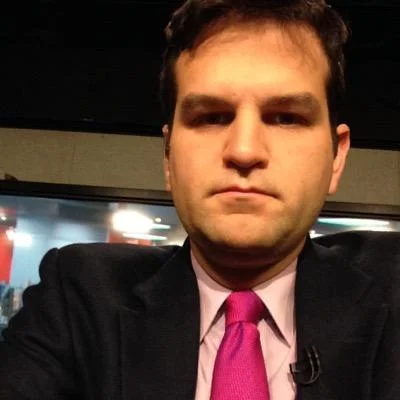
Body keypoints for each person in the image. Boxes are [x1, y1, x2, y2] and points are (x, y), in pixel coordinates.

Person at [1, 0, 399, 399]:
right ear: (168, 156)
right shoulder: (79, 295)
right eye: (211, 117)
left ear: (336, 157)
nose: (244, 151)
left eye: (286, 117)